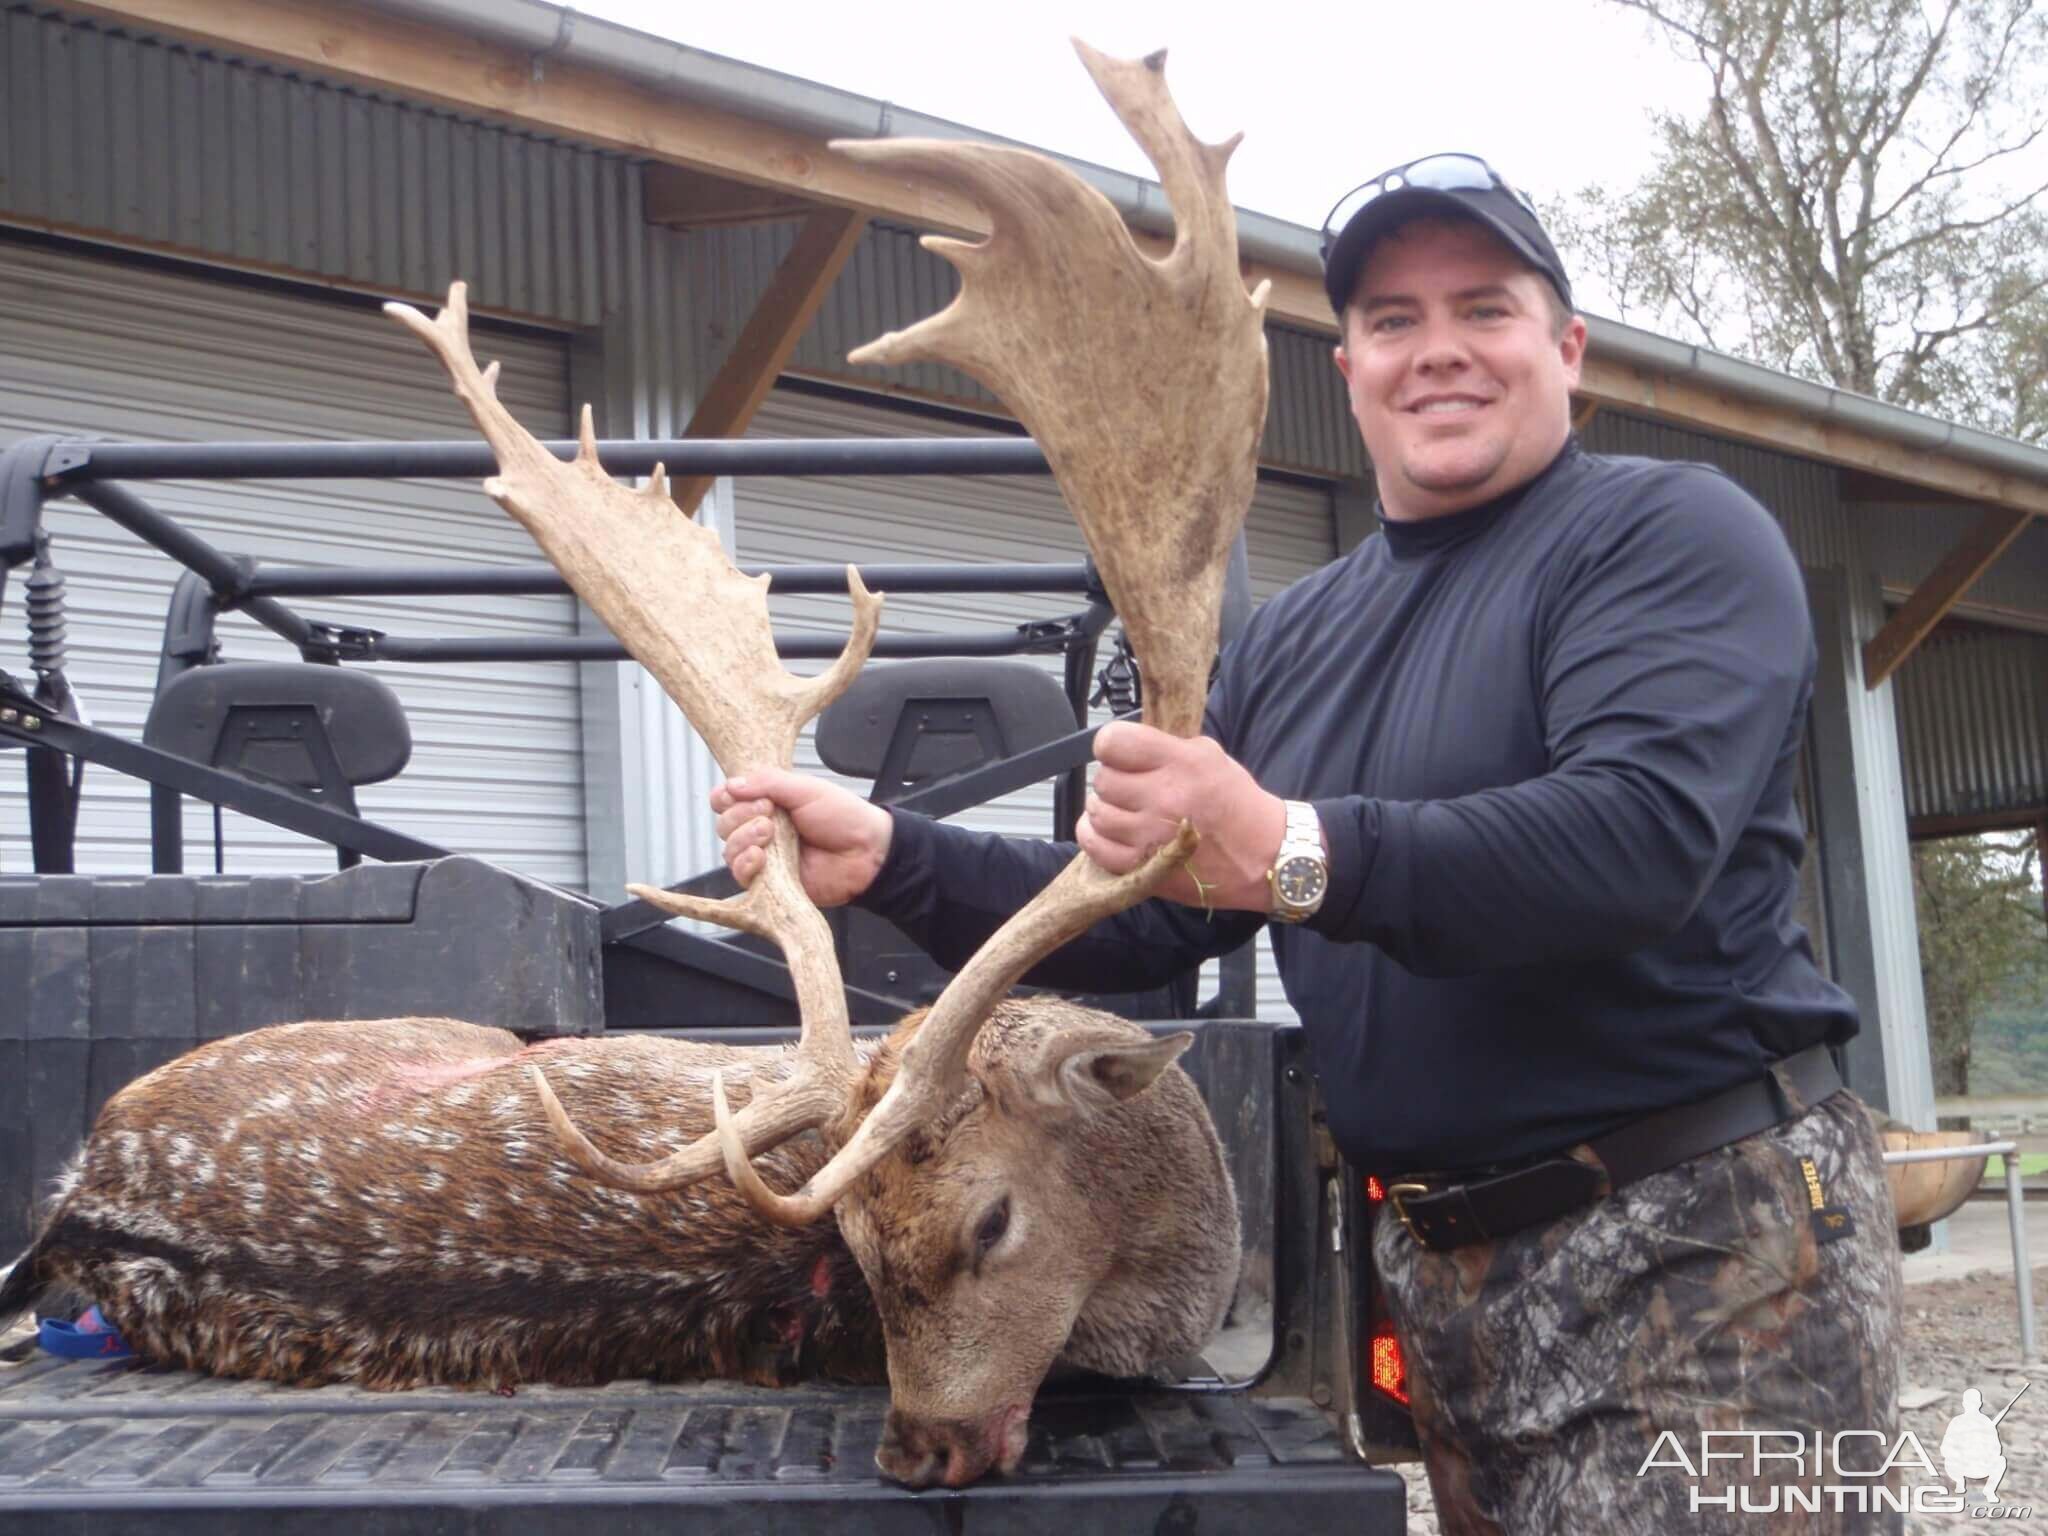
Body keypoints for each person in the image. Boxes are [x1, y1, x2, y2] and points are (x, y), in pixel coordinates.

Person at [712, 153, 1904, 1530]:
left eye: (1485, 309)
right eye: (1393, 321)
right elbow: (1163, 916)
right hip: (1444, 1271)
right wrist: (897, 856)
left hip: (1709, 1246)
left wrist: (1287, 843)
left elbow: (1639, 841)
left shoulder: (1671, 539)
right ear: (1349, 371)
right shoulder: (1295, 638)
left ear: (1566, 349)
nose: (1438, 350)